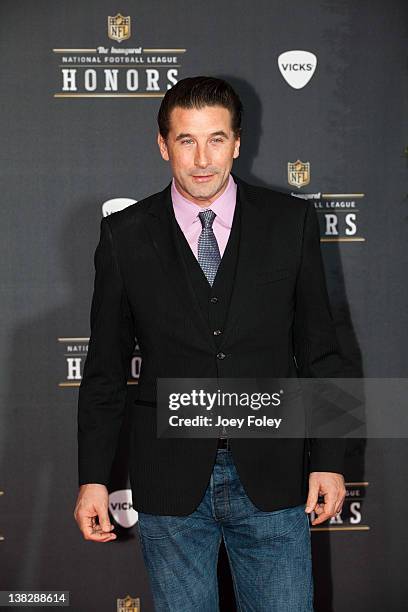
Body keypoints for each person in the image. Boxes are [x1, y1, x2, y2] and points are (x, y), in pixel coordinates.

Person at [74, 76, 346, 611]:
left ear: (238, 143)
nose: (202, 159)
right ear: (162, 144)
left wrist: (330, 459)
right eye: (186, 140)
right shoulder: (124, 234)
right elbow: (105, 369)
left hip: (273, 470)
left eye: (216, 139)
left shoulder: (289, 222)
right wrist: (92, 479)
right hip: (169, 479)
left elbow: (321, 353)